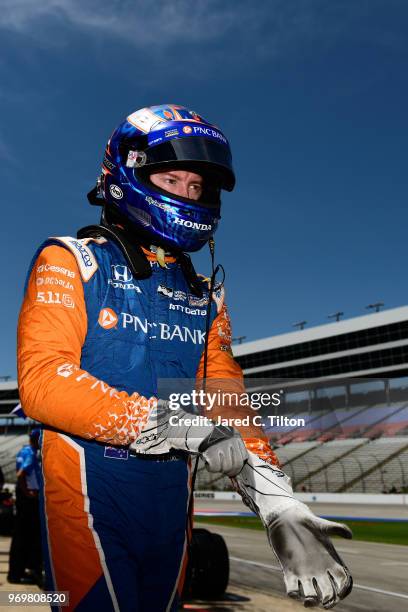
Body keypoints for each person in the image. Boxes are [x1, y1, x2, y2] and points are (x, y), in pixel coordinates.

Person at [17, 105, 352, 610]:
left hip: (174, 496)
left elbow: (225, 399)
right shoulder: (71, 260)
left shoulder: (206, 296)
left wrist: (274, 498)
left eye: (197, 187)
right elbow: (44, 382)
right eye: (171, 179)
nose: (187, 195)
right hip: (89, 492)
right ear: (125, 174)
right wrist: (178, 424)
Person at [8, 429, 42, 585]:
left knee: (21, 536)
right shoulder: (31, 453)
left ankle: (17, 572)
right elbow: (21, 474)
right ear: (37, 439)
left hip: (24, 498)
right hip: (27, 499)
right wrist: (28, 493)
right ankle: (18, 572)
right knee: (26, 536)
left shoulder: (25, 451)